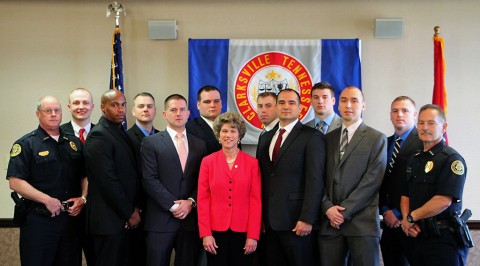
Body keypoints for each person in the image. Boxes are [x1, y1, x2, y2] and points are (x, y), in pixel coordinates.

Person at [7, 96, 87, 266]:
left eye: (57, 110)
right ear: (38, 114)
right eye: (47, 111)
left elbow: (84, 175)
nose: (53, 114)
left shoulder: (73, 142)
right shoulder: (26, 144)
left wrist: (83, 198)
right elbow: (15, 181)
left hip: (70, 221)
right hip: (40, 221)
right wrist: (47, 200)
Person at [318, 86, 387, 266]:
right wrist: (328, 207)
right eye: (344, 100)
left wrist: (344, 212)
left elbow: (372, 180)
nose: (348, 105)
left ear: (363, 106)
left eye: (354, 101)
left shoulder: (376, 138)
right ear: (338, 106)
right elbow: (317, 177)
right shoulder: (327, 139)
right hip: (330, 223)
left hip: (362, 223)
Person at [257, 88, 325, 266]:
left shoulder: (312, 137)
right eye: (281, 102)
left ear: (300, 108)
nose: (286, 106)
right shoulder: (265, 138)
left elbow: (315, 181)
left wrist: (308, 218)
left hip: (297, 222)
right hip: (269, 224)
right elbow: (261, 180)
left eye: (291, 103)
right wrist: (260, 217)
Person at [141, 94, 207, 266]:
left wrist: (191, 202)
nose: (178, 113)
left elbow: (203, 180)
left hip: (189, 222)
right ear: (164, 114)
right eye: (173, 110)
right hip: (160, 221)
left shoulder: (200, 144)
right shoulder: (151, 142)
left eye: (182, 109)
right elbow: (149, 179)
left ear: (188, 113)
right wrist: (175, 205)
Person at [400, 104, 468, 266]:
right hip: (416, 235)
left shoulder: (451, 160)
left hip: (442, 239)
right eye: (421, 123)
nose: (425, 128)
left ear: (444, 127)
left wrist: (411, 217)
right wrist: (406, 221)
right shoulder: (414, 159)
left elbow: (443, 200)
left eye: (431, 123)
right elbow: (405, 195)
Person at [84, 89, 142, 266]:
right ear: (103, 108)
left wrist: (136, 208)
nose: (121, 109)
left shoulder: (119, 132)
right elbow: (108, 181)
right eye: (114, 105)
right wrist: (129, 212)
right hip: (108, 223)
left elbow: (131, 175)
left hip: (122, 220)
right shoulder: (99, 135)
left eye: (123, 105)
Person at [198, 112, 262, 266]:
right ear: (218, 135)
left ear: (239, 135)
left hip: (243, 232)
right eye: (224, 131)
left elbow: (256, 201)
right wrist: (206, 234)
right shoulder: (207, 162)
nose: (228, 135)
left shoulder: (252, 163)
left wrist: (253, 235)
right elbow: (202, 200)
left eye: (233, 131)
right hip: (215, 232)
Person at [379, 96, 423, 266]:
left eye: (405, 110)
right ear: (390, 115)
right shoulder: (384, 143)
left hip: (411, 223)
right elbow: (380, 181)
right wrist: (384, 210)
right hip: (389, 225)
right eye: (395, 111)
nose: (399, 114)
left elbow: (420, 186)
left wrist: (397, 213)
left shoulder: (422, 144)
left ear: (414, 114)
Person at [60, 87, 95, 265]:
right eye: (76, 102)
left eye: (85, 102)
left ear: (93, 106)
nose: (81, 106)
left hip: (97, 214)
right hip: (67, 214)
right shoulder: (56, 134)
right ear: (69, 106)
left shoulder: (103, 134)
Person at [186, 85, 222, 155]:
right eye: (207, 102)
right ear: (198, 105)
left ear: (221, 103)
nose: (212, 105)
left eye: (216, 101)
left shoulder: (231, 126)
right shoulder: (188, 129)